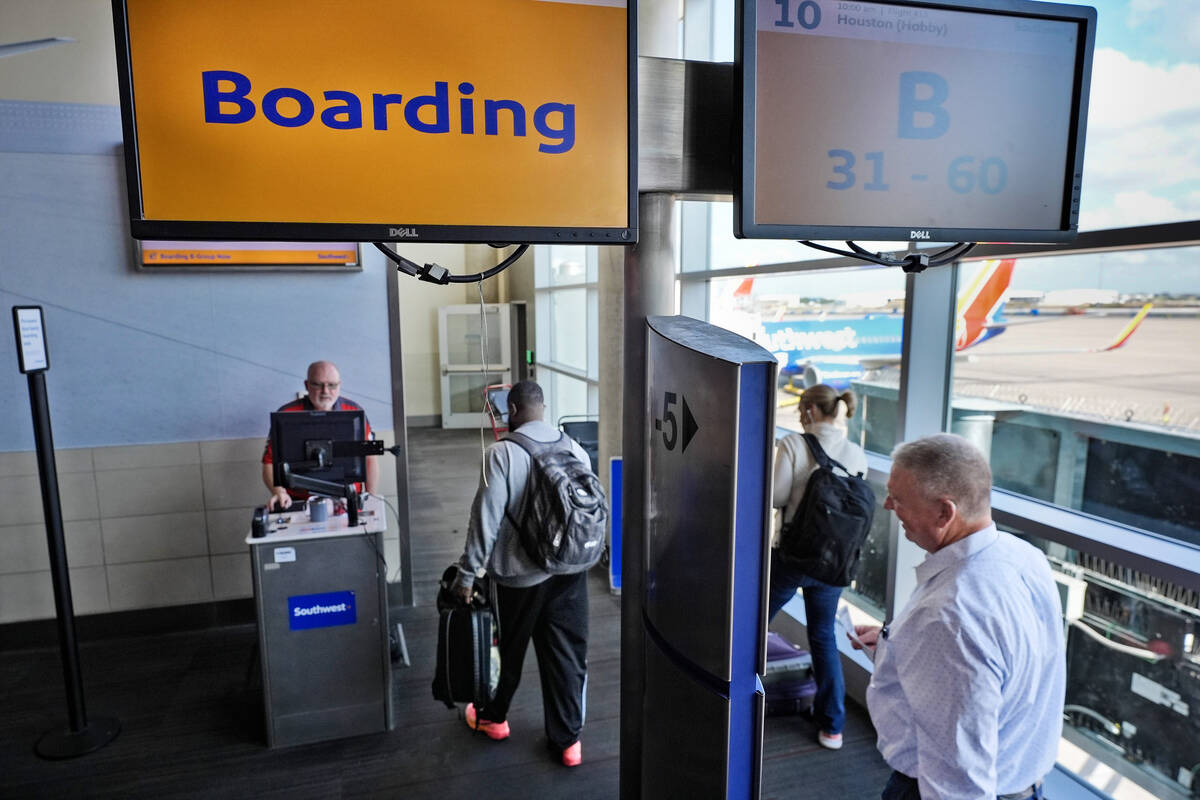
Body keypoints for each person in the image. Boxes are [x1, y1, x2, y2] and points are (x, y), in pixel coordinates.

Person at [852, 434, 1065, 800]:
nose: (887, 505)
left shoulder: (949, 619)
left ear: (944, 513)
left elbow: (959, 783)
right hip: (1026, 784)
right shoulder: (1025, 558)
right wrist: (898, 647)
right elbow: (995, 669)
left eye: (899, 499)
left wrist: (930, 643)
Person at [451, 379, 593, 768]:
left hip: (518, 577)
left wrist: (467, 575)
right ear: (542, 408)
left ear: (511, 410)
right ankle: (568, 742)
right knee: (567, 654)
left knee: (504, 651)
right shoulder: (574, 448)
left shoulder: (501, 454)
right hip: (570, 570)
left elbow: (485, 521)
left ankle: (493, 719)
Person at [767, 384, 867, 751]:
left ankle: (736, 702)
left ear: (809, 410)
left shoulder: (795, 444)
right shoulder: (856, 453)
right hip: (833, 562)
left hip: (793, 556)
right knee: (823, 635)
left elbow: (776, 497)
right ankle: (832, 726)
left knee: (751, 626)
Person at [261, 360, 379, 510]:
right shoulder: (285, 415)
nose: (325, 391)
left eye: (332, 385)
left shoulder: (355, 412)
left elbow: (370, 458)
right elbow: (269, 463)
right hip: (299, 502)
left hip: (348, 500)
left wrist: (371, 498)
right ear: (306, 385)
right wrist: (279, 492)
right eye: (318, 384)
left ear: (339, 385)